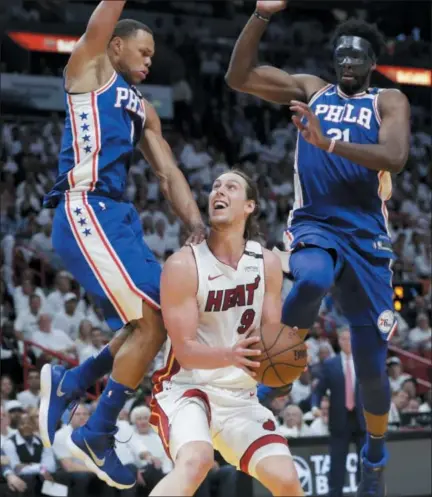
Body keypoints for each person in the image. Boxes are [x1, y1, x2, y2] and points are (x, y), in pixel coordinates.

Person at [225, 2, 410, 495]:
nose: (347, 64)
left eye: (356, 57)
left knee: (371, 368)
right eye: (340, 56)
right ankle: (273, 381)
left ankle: (374, 451)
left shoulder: (387, 101)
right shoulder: (311, 89)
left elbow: (394, 155)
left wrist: (327, 143)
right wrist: (261, 15)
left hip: (368, 240)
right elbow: (239, 76)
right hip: (314, 225)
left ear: (372, 62)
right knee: (310, 278)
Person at [39, 0, 205, 490]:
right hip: (84, 205)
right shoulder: (89, 68)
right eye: (143, 49)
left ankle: (76, 388)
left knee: (162, 319)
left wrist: (196, 222)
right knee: (152, 316)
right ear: (116, 45)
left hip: (119, 216)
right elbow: (99, 20)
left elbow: (168, 170)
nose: (150, 59)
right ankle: (95, 428)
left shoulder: (142, 107)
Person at [148, 170, 304, 497]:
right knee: (196, 462)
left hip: (240, 397)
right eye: (215, 186)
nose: (219, 191)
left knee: (287, 479)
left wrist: (290, 360)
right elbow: (186, 349)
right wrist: (232, 354)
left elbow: (270, 337)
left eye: (230, 186)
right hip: (188, 389)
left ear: (249, 206)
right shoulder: (183, 265)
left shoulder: (267, 263)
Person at [311, 327, 365, 497]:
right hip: (339, 420)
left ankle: (365, 493)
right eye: (343, 339)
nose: (347, 342)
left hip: (362, 420)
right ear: (339, 341)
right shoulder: (330, 365)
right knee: (337, 465)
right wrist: (315, 406)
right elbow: (318, 390)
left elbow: (376, 388)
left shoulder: (364, 362)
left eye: (350, 338)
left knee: (364, 464)